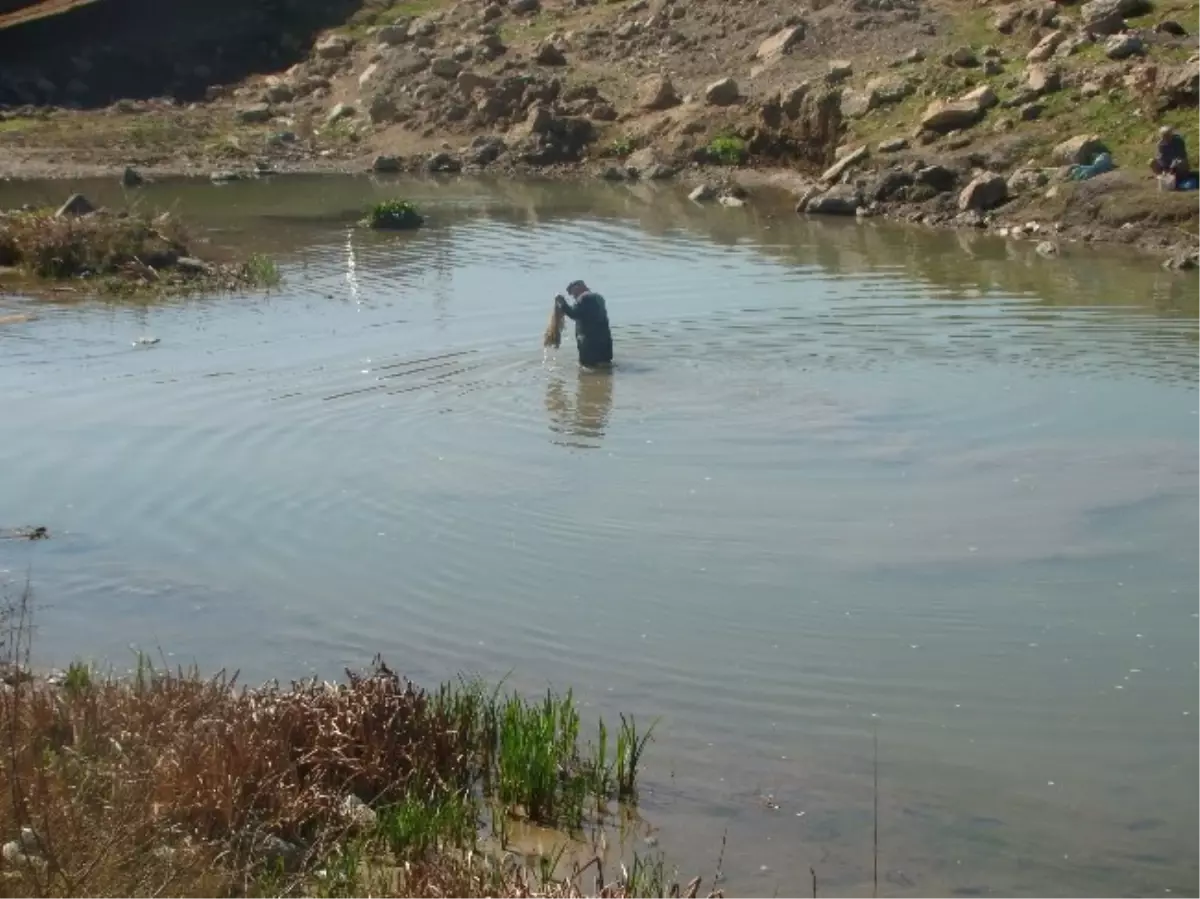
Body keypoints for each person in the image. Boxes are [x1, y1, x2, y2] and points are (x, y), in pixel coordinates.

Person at [555, 280, 613, 368]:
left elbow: (573, 314)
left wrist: (562, 303)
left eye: (573, 293)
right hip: (605, 342)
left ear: (578, 287)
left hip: (589, 345)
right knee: (605, 367)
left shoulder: (584, 298)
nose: (573, 297)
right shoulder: (599, 298)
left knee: (588, 370)